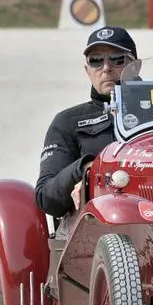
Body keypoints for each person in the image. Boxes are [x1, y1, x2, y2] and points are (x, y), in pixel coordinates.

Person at [34, 26, 139, 219]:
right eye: (96, 61)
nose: (106, 68)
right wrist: (86, 170)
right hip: (95, 226)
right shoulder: (67, 121)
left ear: (136, 66)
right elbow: (46, 197)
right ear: (87, 71)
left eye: (117, 59)